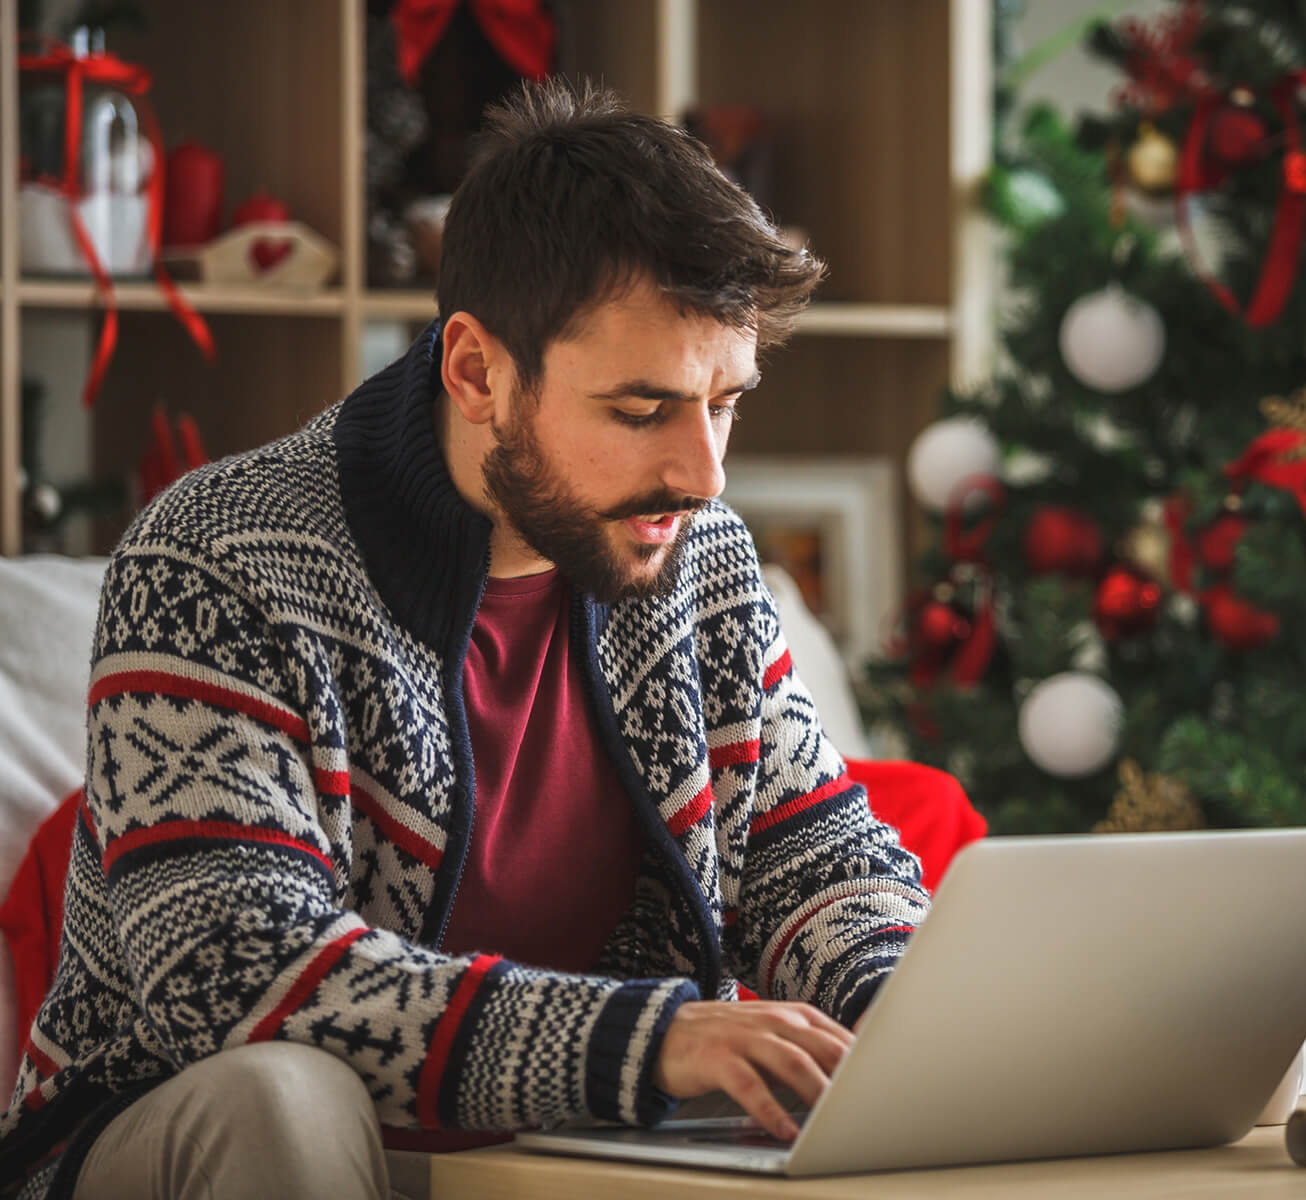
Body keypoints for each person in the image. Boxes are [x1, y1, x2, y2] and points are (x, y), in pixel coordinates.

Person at [0, 78, 931, 1200]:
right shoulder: (214, 559)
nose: (704, 473)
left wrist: (905, 1010)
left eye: (725, 400)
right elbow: (235, 978)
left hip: (569, 1157)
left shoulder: (705, 560)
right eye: (642, 411)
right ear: (477, 372)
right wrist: (654, 1042)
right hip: (182, 1136)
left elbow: (818, 862)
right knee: (285, 1093)